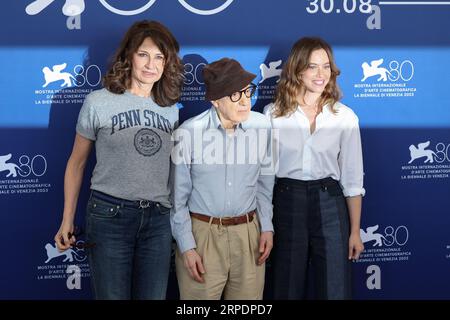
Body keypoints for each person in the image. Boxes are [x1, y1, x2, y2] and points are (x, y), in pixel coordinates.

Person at [54, 20, 184, 300]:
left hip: (158, 221)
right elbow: (76, 163)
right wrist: (67, 220)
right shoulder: (98, 102)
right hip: (109, 216)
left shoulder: (171, 110)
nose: (151, 64)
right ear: (128, 56)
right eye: (144, 54)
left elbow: (174, 172)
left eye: (160, 57)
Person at [264, 37, 365, 299]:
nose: (321, 74)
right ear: (297, 69)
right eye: (312, 66)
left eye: (326, 66)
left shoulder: (345, 117)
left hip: (330, 202)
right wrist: (264, 226)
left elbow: (353, 180)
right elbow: (264, 178)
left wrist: (355, 232)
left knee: (335, 288)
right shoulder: (272, 115)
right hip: (287, 201)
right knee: (285, 287)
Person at [170, 58, 275, 300]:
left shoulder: (262, 127)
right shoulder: (188, 133)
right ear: (215, 100)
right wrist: (187, 247)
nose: (245, 100)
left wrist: (266, 227)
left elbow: (264, 184)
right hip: (203, 236)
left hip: (249, 235)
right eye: (235, 95)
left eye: (247, 91)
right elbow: (177, 199)